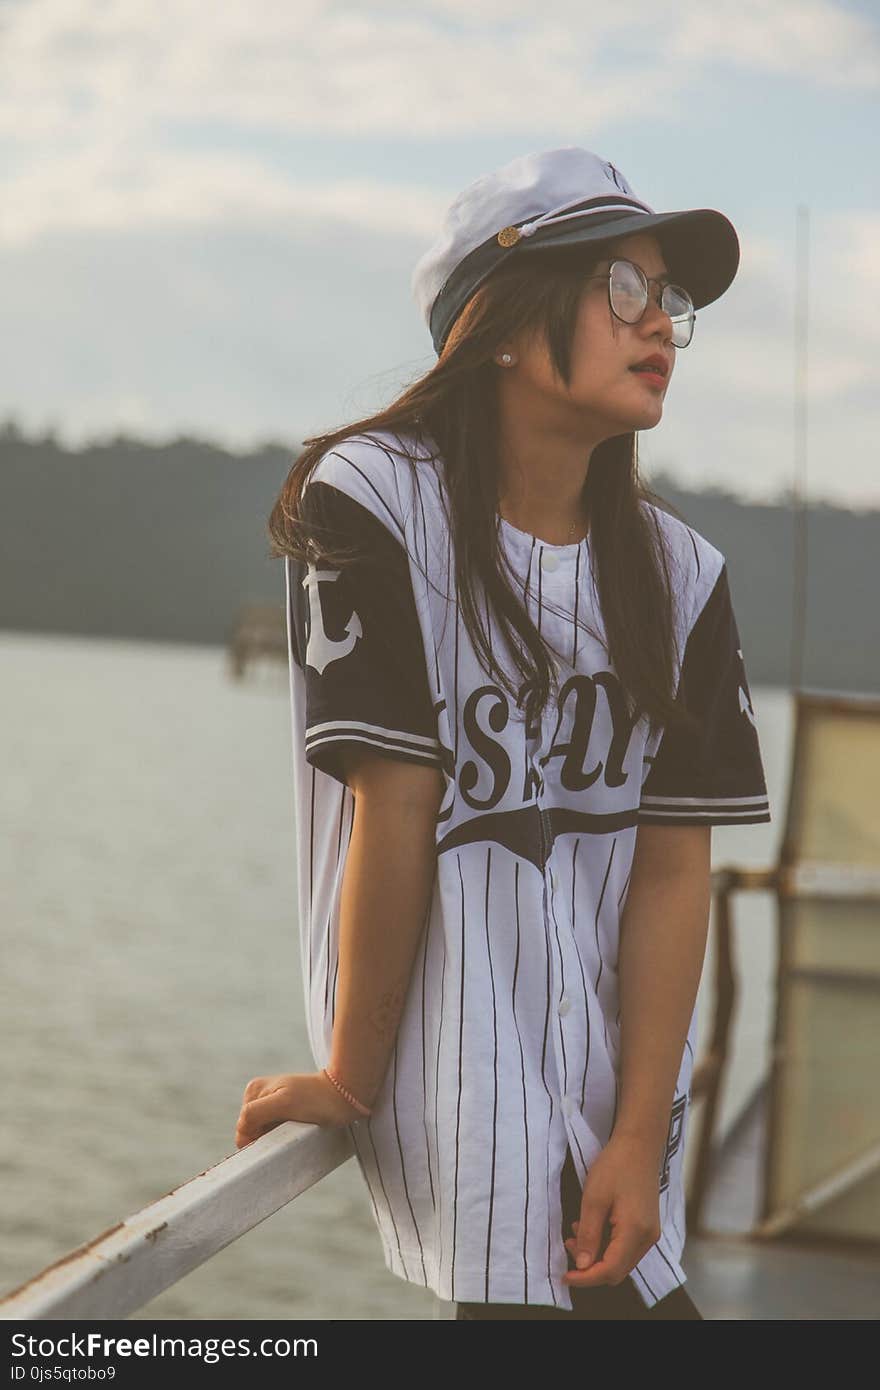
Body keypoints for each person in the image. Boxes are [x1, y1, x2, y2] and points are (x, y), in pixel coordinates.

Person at [234, 147, 771, 1321]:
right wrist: (349, 1078)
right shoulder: (372, 497)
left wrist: (640, 1138)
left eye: (667, 299)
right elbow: (398, 799)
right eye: (621, 289)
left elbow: (672, 870)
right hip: (453, 1081)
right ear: (501, 324)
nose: (662, 326)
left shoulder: (681, 573)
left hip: (616, 1101)